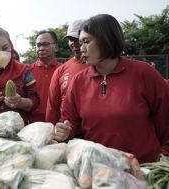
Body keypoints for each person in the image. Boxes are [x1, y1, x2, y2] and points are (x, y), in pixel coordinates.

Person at [54, 14, 169, 163]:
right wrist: (64, 131)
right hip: (98, 169)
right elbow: (69, 122)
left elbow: (165, 118)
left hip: (143, 168)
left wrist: (164, 157)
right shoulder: (78, 81)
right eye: (80, 42)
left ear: (106, 40)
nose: (81, 48)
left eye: (86, 42)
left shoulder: (144, 73)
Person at [46, 19, 89, 124]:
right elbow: (52, 107)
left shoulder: (100, 67)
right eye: (70, 39)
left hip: (94, 132)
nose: (74, 43)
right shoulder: (61, 70)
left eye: (77, 39)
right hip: (68, 133)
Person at [29, 30, 62, 123]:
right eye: (38, 45)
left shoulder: (64, 70)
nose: (41, 48)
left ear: (56, 47)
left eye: (45, 44)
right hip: (32, 126)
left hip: (58, 126)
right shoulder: (27, 71)